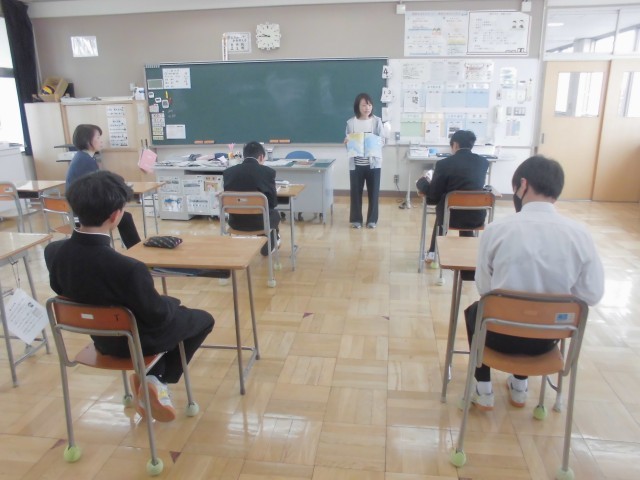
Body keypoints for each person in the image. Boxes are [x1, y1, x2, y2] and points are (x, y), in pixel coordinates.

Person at [45, 171, 214, 422]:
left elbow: (59, 288)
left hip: (100, 339)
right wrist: (172, 302)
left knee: (168, 316)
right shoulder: (129, 268)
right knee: (202, 319)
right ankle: (156, 379)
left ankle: (151, 379)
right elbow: (157, 316)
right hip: (134, 342)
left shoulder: (54, 252)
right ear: (116, 216)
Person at [464, 155, 604, 411]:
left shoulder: (497, 230)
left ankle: (483, 390)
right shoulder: (580, 234)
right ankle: (520, 386)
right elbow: (592, 295)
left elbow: (485, 288)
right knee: (539, 312)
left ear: (523, 184)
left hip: (499, 335)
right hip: (549, 339)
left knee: (477, 311)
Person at [416, 130, 489, 267]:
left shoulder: (444, 164)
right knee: (461, 205)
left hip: (449, 217)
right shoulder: (483, 163)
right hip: (476, 216)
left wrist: (422, 183)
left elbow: (433, 196)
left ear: (455, 144)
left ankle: (433, 253)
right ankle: (470, 255)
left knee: (446, 205)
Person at [67, 124, 141, 249]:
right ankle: (136, 251)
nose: (101, 141)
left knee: (124, 216)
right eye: (98, 137)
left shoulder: (82, 157)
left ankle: (135, 249)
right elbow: (98, 188)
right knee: (124, 216)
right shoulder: (85, 161)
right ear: (87, 141)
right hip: (87, 209)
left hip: (83, 206)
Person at [222, 141, 280, 256]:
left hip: (235, 222)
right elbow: (273, 203)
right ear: (261, 157)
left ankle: (267, 241)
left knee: (264, 212)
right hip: (261, 223)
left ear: (244, 156)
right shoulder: (268, 172)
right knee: (274, 213)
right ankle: (271, 242)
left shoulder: (228, 172)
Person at [344, 92, 387, 229]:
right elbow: (348, 141)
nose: (367, 108)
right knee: (355, 193)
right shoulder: (351, 123)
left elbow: (383, 140)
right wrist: (347, 142)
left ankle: (372, 220)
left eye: (369, 105)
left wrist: (375, 142)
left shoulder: (377, 121)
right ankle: (356, 220)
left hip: (373, 164)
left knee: (374, 193)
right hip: (356, 164)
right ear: (358, 106)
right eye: (363, 105)